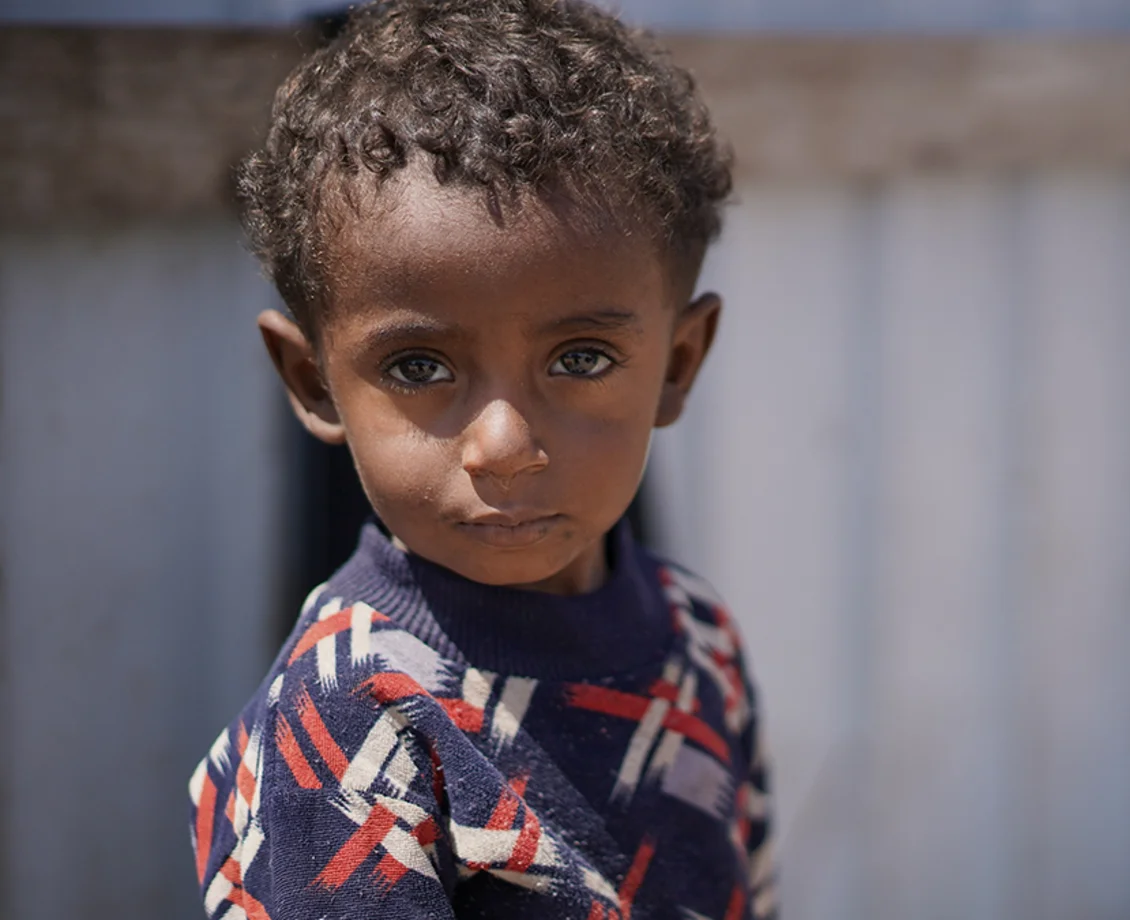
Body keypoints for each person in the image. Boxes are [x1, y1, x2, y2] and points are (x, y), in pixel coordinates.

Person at [186, 1, 774, 916]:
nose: (502, 448)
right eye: (418, 367)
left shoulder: (695, 639)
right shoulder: (348, 719)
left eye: (580, 359)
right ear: (311, 381)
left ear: (679, 363)